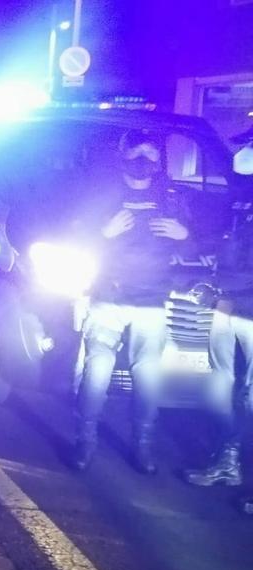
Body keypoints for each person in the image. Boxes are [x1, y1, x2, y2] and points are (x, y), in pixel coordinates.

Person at [71, 129, 191, 473]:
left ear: (159, 159)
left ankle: (143, 446)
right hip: (108, 293)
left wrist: (185, 236)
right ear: (122, 153)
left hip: (152, 296)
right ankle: (85, 441)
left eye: (151, 154)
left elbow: (195, 245)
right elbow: (75, 238)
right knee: (98, 367)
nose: (143, 160)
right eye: (136, 151)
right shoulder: (102, 193)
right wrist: (102, 233)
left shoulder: (171, 196)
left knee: (148, 373)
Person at [184, 125, 253, 507]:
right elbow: (231, 243)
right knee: (222, 388)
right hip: (229, 304)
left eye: (249, 145)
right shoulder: (243, 194)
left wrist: (231, 293)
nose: (241, 152)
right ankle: (227, 462)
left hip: (243, 305)